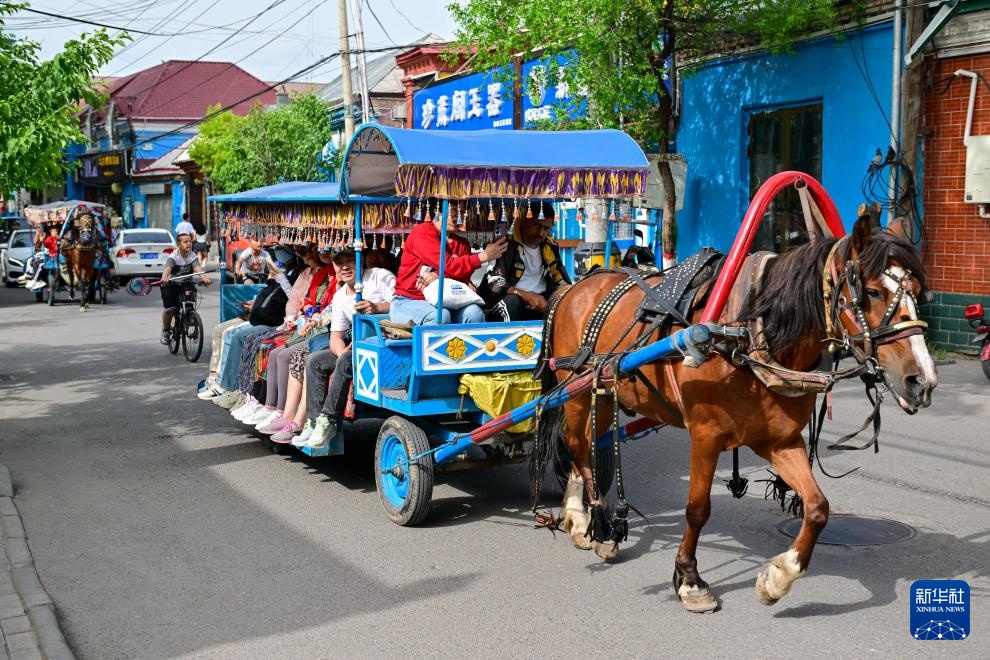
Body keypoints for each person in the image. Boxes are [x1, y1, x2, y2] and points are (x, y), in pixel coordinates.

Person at [297, 249, 395, 449]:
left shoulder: (379, 276)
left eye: (350, 260)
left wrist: (378, 308)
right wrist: (344, 356)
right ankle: (316, 423)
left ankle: (329, 419)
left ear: (361, 261)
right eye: (339, 263)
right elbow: (336, 338)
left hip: (388, 345)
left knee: (345, 359)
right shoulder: (340, 296)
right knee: (315, 360)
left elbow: (404, 304)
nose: (344, 267)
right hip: (359, 349)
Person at [390, 206, 508, 326]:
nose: (459, 218)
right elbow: (448, 265)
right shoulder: (422, 233)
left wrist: (438, 275)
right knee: (441, 316)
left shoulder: (462, 244)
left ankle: (472, 345)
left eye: (462, 212)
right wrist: (484, 256)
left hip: (449, 300)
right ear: (437, 210)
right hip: (409, 300)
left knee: (474, 314)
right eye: (454, 211)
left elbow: (463, 277)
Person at [478, 201, 571, 321]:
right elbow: (494, 282)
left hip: (542, 303)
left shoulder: (550, 246)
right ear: (523, 222)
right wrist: (526, 296)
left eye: (546, 228)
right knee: (513, 302)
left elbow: (562, 280)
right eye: (536, 225)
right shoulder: (506, 244)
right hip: (509, 302)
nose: (540, 232)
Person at [161, 233, 211, 344]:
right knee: (169, 310)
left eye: (190, 241)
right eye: (185, 242)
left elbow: (198, 268)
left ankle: (191, 318)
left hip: (186, 284)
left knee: (191, 299)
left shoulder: (192, 256)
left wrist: (204, 277)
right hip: (172, 285)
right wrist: (164, 277)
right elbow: (167, 269)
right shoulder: (173, 257)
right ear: (179, 244)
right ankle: (166, 331)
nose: (189, 243)